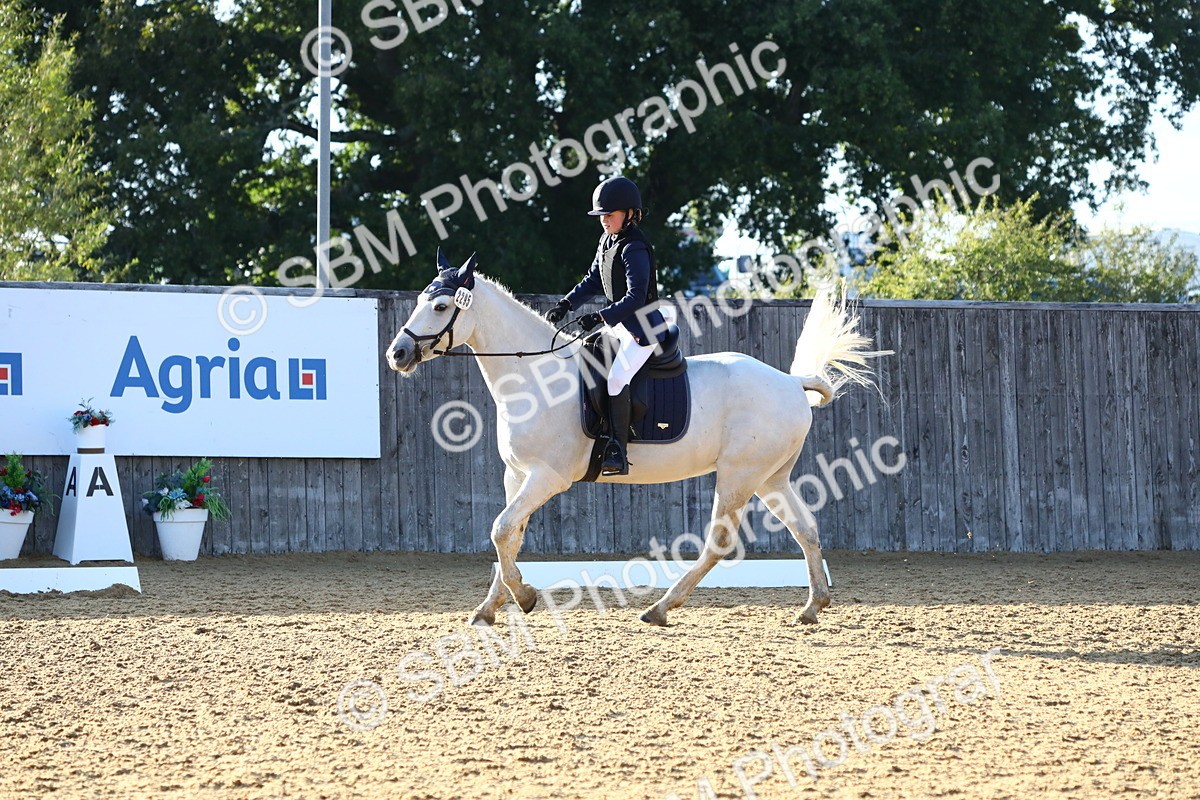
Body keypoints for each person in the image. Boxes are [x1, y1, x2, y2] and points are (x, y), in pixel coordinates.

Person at [545, 176, 668, 476]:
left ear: (629, 214)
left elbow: (636, 296)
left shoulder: (634, 248)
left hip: (642, 329)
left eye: (609, 215)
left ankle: (617, 448)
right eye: (601, 216)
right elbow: (592, 280)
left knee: (615, 379)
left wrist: (600, 317)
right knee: (584, 355)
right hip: (621, 325)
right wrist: (566, 304)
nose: (604, 220)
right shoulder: (607, 241)